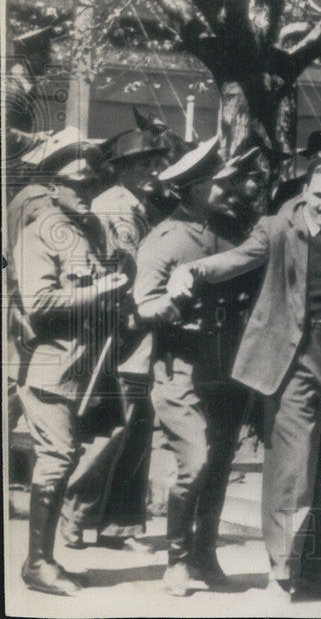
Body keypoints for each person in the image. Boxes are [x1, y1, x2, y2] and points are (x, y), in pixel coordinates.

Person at [168, 156, 321, 602]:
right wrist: (193, 270)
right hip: (296, 356)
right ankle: (280, 572)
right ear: (306, 190)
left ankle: (315, 572)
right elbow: (237, 260)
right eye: (319, 194)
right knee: (292, 468)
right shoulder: (278, 228)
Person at [132, 136, 251, 596]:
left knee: (218, 464)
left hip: (224, 364)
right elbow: (143, 307)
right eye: (219, 182)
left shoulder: (224, 230)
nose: (228, 188)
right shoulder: (165, 239)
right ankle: (176, 558)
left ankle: (205, 553)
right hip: (178, 365)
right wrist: (173, 301)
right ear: (197, 188)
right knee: (195, 461)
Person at [12, 136, 130, 596]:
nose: (86, 190)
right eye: (76, 184)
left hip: (86, 368)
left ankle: (47, 559)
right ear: (53, 186)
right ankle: (36, 564)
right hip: (49, 366)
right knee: (57, 458)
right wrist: (98, 293)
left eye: (93, 182)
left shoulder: (91, 229)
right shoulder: (40, 231)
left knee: (67, 457)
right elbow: (39, 303)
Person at [60, 128, 168, 553]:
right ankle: (74, 508)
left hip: (142, 328)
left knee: (139, 426)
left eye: (156, 162)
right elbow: (123, 268)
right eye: (143, 163)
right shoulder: (111, 208)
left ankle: (119, 525)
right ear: (120, 168)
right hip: (117, 330)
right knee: (116, 426)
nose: (153, 170)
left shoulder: (144, 207)